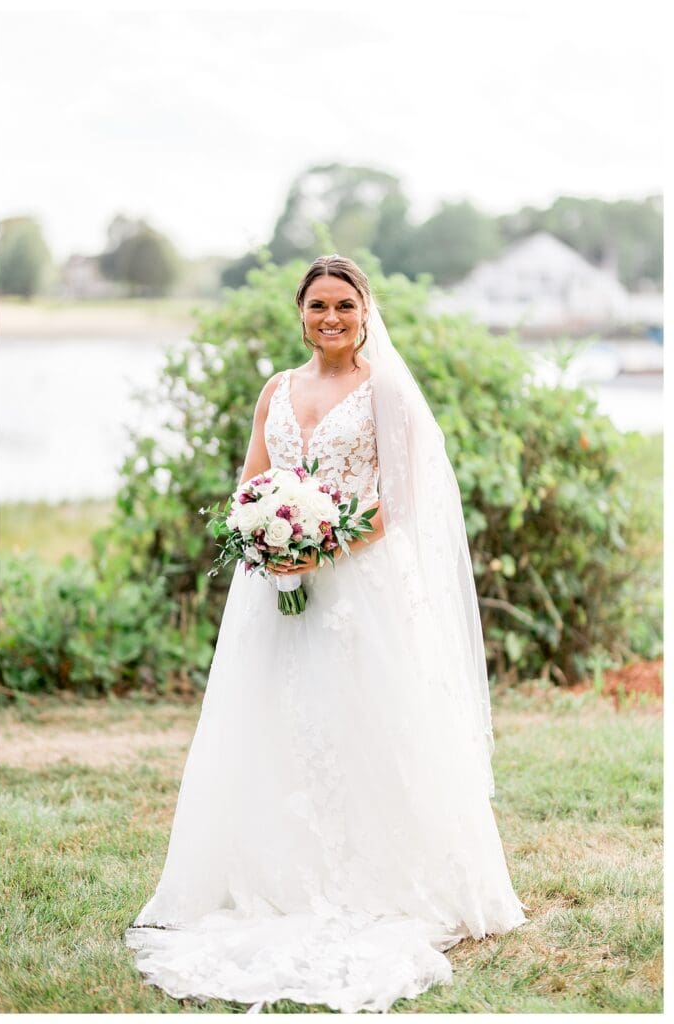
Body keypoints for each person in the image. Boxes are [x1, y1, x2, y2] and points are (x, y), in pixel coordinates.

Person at [125, 255, 528, 1013]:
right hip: (272, 583)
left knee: (367, 727)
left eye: (344, 304)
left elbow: (396, 505)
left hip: (359, 589)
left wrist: (321, 543)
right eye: (317, 305)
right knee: (274, 725)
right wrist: (264, 532)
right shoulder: (276, 390)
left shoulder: (386, 392)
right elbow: (252, 479)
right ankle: (274, 873)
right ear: (301, 312)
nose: (331, 317)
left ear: (366, 311)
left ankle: (385, 877)